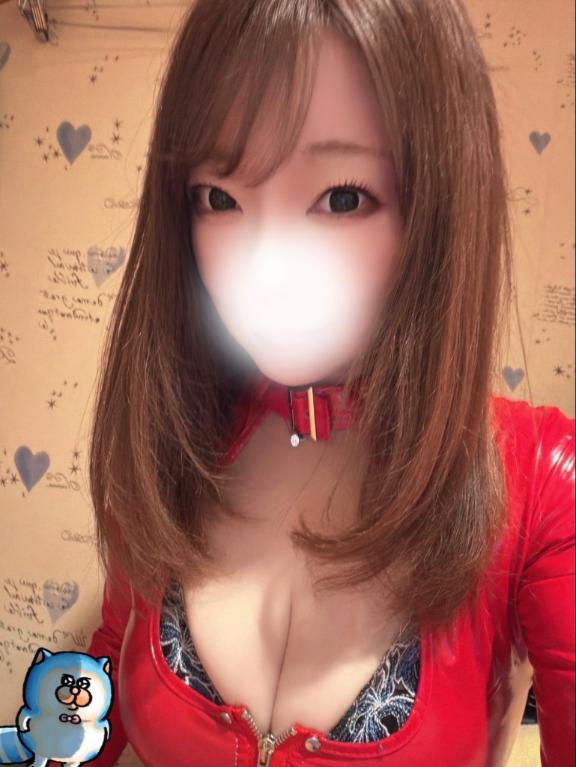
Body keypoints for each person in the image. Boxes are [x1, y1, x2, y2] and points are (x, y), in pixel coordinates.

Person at [81, 1, 575, 765]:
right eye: (220, 197)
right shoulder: (174, 440)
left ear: (438, 209)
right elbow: (92, 689)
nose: (264, 269)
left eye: (342, 198)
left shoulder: (541, 481)